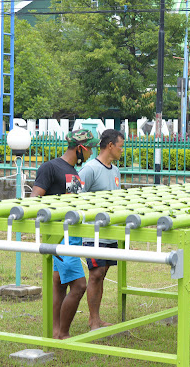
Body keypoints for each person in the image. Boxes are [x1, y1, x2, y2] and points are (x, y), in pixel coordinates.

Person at [31, 129, 97, 339]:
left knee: (59, 285)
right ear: (80, 148)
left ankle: (55, 331)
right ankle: (64, 333)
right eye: (90, 150)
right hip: (59, 237)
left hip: (73, 237)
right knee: (79, 285)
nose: (90, 155)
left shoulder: (74, 171)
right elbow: (34, 199)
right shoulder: (50, 168)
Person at [78, 129, 125, 330]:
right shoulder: (89, 169)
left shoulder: (115, 171)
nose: (122, 150)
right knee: (95, 273)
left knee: (103, 272)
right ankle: (93, 320)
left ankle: (96, 318)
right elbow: (74, 195)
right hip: (93, 232)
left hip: (110, 231)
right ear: (110, 146)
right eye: (121, 146)